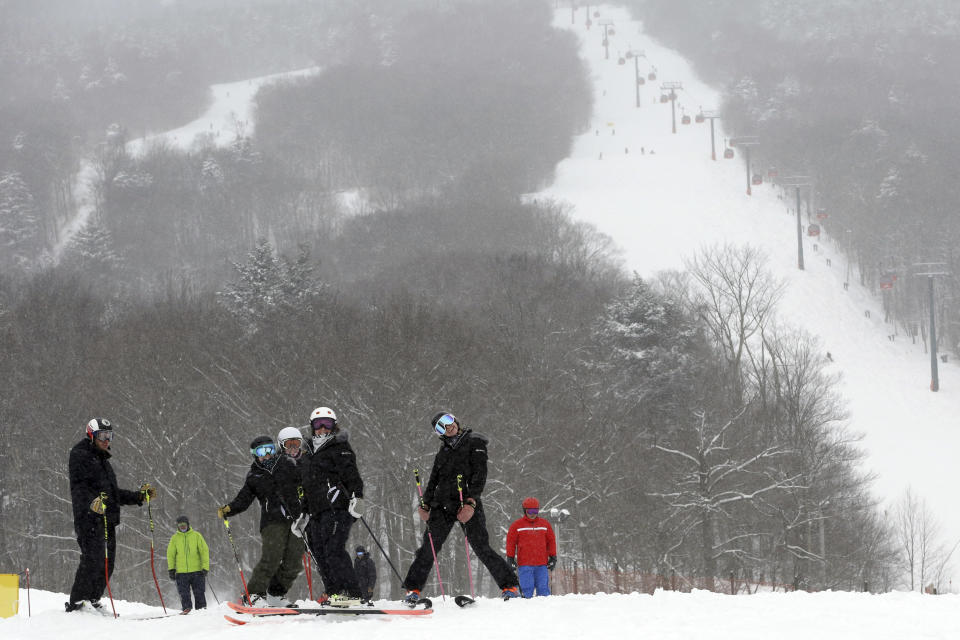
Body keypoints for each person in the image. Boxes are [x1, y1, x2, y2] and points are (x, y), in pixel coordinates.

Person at [402, 412, 520, 603]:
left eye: (449, 422)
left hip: (466, 502)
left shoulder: (475, 443)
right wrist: (425, 504)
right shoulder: (443, 451)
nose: (448, 427)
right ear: (439, 433)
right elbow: (434, 480)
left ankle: (510, 586)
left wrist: (471, 503)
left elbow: (480, 475)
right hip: (442, 505)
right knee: (428, 547)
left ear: (455, 421)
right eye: (441, 427)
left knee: (481, 546)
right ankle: (412, 590)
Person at [66, 418, 157, 612]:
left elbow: (113, 493)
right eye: (102, 436)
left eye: (110, 436)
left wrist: (139, 496)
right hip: (89, 518)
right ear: (91, 435)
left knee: (108, 563)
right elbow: (79, 487)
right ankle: (77, 602)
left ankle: (92, 599)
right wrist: (93, 504)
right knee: (93, 558)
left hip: (107, 519)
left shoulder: (102, 460)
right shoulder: (80, 454)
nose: (107, 440)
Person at [217, 435, 303, 607]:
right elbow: (244, 499)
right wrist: (230, 509)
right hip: (272, 521)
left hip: (296, 519)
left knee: (294, 561)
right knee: (272, 557)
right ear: (255, 455)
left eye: (269, 450)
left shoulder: (286, 465)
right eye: (261, 452)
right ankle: (254, 594)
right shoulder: (254, 476)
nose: (266, 455)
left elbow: (304, 481)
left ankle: (276, 594)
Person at [301, 406, 366, 606]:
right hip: (316, 512)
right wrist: (302, 513)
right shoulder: (308, 453)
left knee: (334, 549)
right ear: (312, 427)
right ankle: (334, 591)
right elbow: (306, 485)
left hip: (337, 507)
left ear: (334, 426)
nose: (322, 428)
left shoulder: (340, 447)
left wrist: (357, 498)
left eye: (327, 424)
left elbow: (352, 476)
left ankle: (351, 592)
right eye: (318, 425)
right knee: (318, 551)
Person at [505, 497, 557, 597]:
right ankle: (526, 611)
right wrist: (510, 558)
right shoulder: (517, 525)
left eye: (535, 511)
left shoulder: (544, 524)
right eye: (530, 511)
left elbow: (551, 541)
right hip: (525, 565)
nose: (533, 514)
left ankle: (546, 610)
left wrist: (553, 557)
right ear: (525, 511)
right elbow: (510, 542)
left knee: (543, 590)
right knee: (526, 590)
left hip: (542, 564)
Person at [167, 515, 210, 613]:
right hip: (181, 573)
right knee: (184, 593)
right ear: (178, 526)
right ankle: (187, 609)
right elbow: (170, 555)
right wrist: (171, 569)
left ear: (188, 525)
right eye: (180, 525)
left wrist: (205, 567)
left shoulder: (196, 536)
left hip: (197, 571)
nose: (182, 527)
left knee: (199, 593)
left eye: (184, 525)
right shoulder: (174, 538)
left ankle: (201, 610)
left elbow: (204, 551)